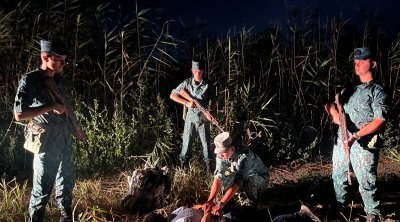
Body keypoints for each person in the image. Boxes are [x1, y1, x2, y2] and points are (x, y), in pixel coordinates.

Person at [14, 39, 86, 221]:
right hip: (46, 141)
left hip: (64, 137)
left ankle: (66, 216)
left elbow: (66, 108)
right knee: (42, 187)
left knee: (66, 181)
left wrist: (76, 129)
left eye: (65, 60)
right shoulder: (30, 80)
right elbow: (19, 114)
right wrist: (49, 106)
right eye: (60, 59)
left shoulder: (60, 81)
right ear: (45, 57)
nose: (64, 63)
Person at [325, 47, 389, 222]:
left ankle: (372, 213)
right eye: (355, 62)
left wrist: (357, 135)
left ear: (373, 64)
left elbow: (379, 120)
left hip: (363, 142)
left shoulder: (377, 91)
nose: (357, 65)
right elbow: (330, 104)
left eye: (362, 61)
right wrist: (335, 115)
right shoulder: (350, 89)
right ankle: (340, 206)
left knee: (366, 180)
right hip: (343, 139)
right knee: (338, 175)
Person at [201, 132, 269, 216]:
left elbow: (239, 181)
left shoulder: (244, 157)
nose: (220, 155)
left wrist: (221, 204)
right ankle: (232, 197)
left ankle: (253, 203)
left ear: (232, 149)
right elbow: (219, 177)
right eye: (219, 152)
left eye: (223, 152)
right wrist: (210, 201)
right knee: (225, 179)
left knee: (249, 181)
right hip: (240, 175)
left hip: (259, 178)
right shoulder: (220, 155)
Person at [170, 59, 217, 171]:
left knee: (206, 146)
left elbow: (214, 100)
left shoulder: (208, 85)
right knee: (186, 145)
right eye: (195, 71)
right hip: (190, 118)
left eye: (199, 71)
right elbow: (173, 95)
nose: (197, 73)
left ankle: (209, 173)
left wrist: (210, 111)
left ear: (203, 71)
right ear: (192, 71)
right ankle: (183, 171)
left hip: (203, 118)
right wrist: (187, 102)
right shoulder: (186, 83)